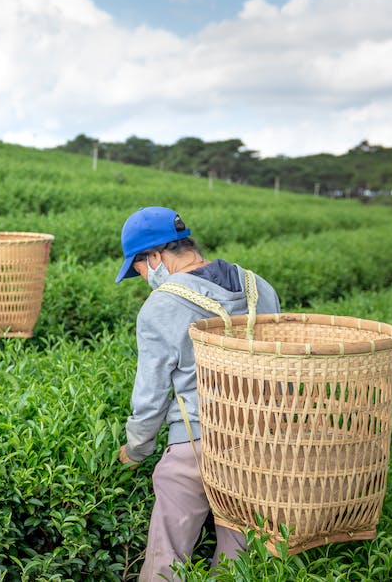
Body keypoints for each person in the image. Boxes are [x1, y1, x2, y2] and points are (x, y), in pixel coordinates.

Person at [113, 207, 281, 581]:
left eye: (138, 268)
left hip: (196, 444)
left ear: (155, 256)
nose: (143, 278)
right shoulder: (259, 286)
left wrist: (136, 449)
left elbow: (151, 397)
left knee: (166, 559)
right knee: (238, 562)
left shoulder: (161, 306)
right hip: (260, 442)